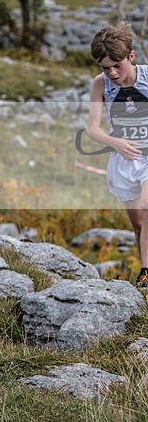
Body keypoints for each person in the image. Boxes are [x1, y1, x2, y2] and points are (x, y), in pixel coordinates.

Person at [86, 21, 148, 291]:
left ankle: (146, 275)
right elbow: (92, 129)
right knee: (137, 224)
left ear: (131, 57)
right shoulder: (99, 85)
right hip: (124, 160)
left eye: (117, 65)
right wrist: (116, 143)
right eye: (104, 67)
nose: (111, 72)